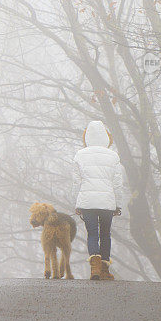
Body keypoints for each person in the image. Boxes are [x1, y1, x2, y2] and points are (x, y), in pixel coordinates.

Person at [71, 120, 123, 280]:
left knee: (92, 234)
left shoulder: (80, 155)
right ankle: (105, 270)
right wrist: (118, 204)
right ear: (106, 137)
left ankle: (95, 268)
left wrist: (77, 203)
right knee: (105, 234)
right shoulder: (113, 156)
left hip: (87, 202)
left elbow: (76, 182)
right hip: (107, 202)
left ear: (87, 136)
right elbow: (118, 183)